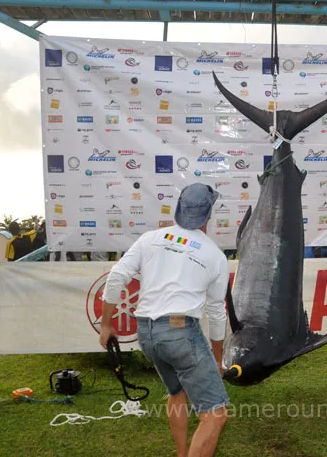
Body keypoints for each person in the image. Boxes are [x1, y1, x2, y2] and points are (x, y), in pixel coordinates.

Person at [99, 183, 229, 457]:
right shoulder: (215, 255)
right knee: (215, 414)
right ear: (208, 216)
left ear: (179, 209)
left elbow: (116, 277)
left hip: (147, 332)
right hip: (180, 332)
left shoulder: (150, 239)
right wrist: (217, 359)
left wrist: (107, 324)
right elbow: (217, 313)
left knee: (176, 391)